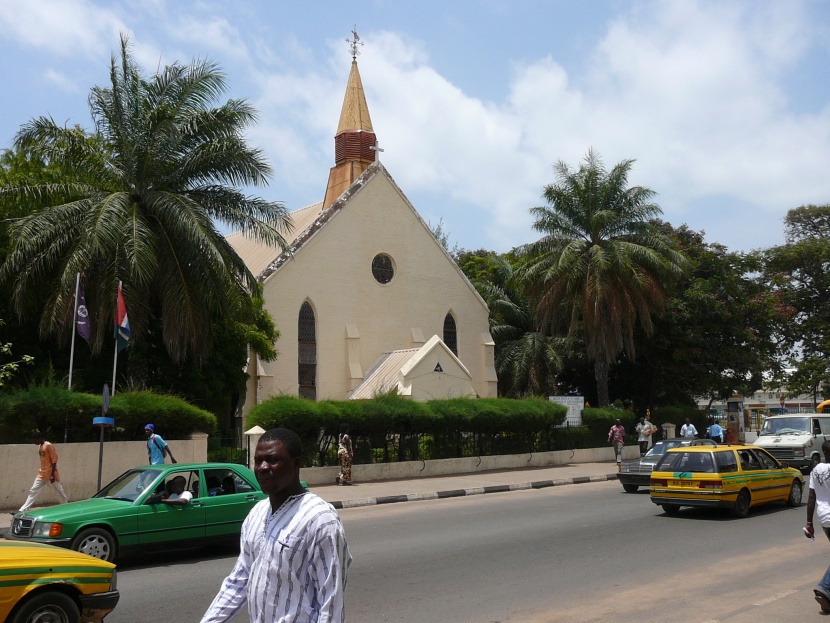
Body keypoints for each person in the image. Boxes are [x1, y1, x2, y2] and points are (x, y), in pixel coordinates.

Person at [200, 427, 351, 623]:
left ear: (295, 464)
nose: (262, 467)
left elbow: (331, 602)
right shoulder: (256, 513)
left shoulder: (320, 518)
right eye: (257, 461)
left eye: (272, 460)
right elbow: (238, 581)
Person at [805, 441, 830, 613]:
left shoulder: (815, 470)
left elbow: (811, 498)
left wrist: (809, 523)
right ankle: (824, 588)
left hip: (823, 518)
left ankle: (826, 594)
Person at [18, 432, 69, 513]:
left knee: (59, 492)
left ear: (39, 438)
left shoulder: (48, 445)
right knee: (33, 491)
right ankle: (22, 510)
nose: (34, 442)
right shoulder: (39, 446)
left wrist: (52, 475)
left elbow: (54, 460)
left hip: (50, 474)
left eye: (35, 440)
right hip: (41, 474)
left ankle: (66, 508)